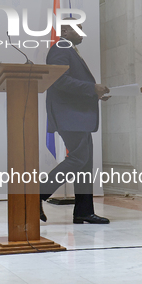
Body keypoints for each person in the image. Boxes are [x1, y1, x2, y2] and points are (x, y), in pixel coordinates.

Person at [40, 23, 110, 224]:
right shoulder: (59, 49)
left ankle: (84, 212)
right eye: (77, 29)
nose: (82, 34)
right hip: (70, 116)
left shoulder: (69, 50)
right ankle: (36, 194)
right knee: (79, 159)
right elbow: (59, 81)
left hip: (78, 116)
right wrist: (91, 88)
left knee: (84, 164)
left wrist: (94, 93)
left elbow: (71, 83)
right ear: (64, 32)